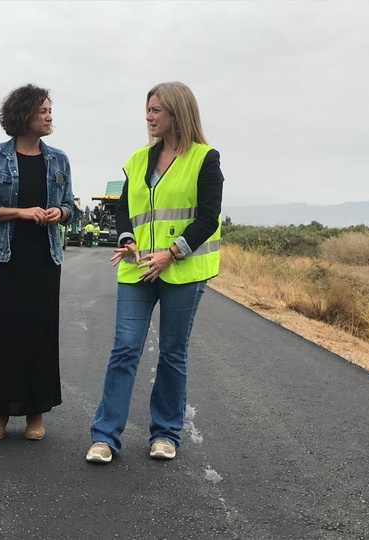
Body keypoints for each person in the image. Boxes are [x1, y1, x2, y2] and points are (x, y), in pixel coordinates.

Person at [85, 81, 224, 464]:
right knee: (125, 348)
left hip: (183, 270)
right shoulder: (137, 160)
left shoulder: (204, 159)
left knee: (172, 352)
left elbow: (208, 217)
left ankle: (165, 435)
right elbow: (124, 210)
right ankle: (105, 437)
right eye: (147, 110)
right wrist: (127, 238)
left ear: (178, 113)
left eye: (156, 110)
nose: (149, 117)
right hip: (137, 267)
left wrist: (172, 253)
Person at [0, 84, 77, 441]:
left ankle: (35, 413)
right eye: (43, 110)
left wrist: (58, 212)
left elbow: (71, 209)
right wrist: (20, 212)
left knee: (39, 335)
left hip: (44, 259)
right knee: (2, 335)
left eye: (50, 110)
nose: (50, 117)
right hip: (5, 258)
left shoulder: (58, 160)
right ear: (24, 115)